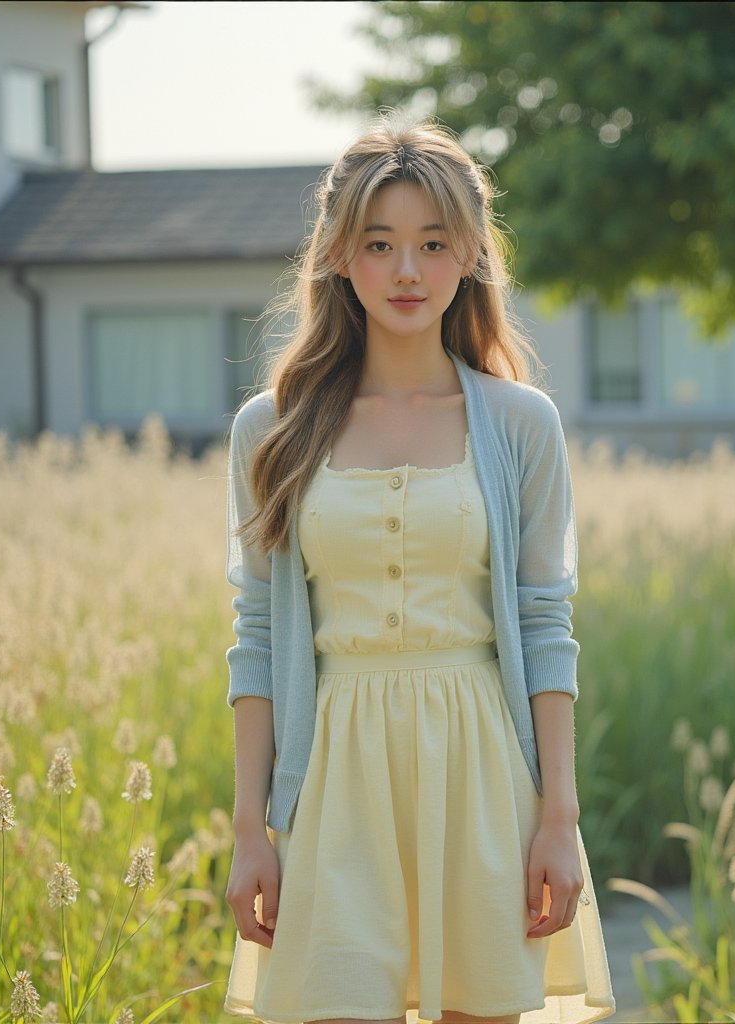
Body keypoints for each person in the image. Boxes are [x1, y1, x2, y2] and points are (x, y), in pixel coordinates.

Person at [222, 118, 615, 1024]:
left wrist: (559, 816)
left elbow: (545, 622)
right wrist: (252, 831)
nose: (408, 271)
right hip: (333, 781)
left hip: (481, 769)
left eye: (433, 244)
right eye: (381, 244)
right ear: (338, 256)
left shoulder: (521, 425)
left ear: (471, 254)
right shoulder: (270, 428)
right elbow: (259, 636)